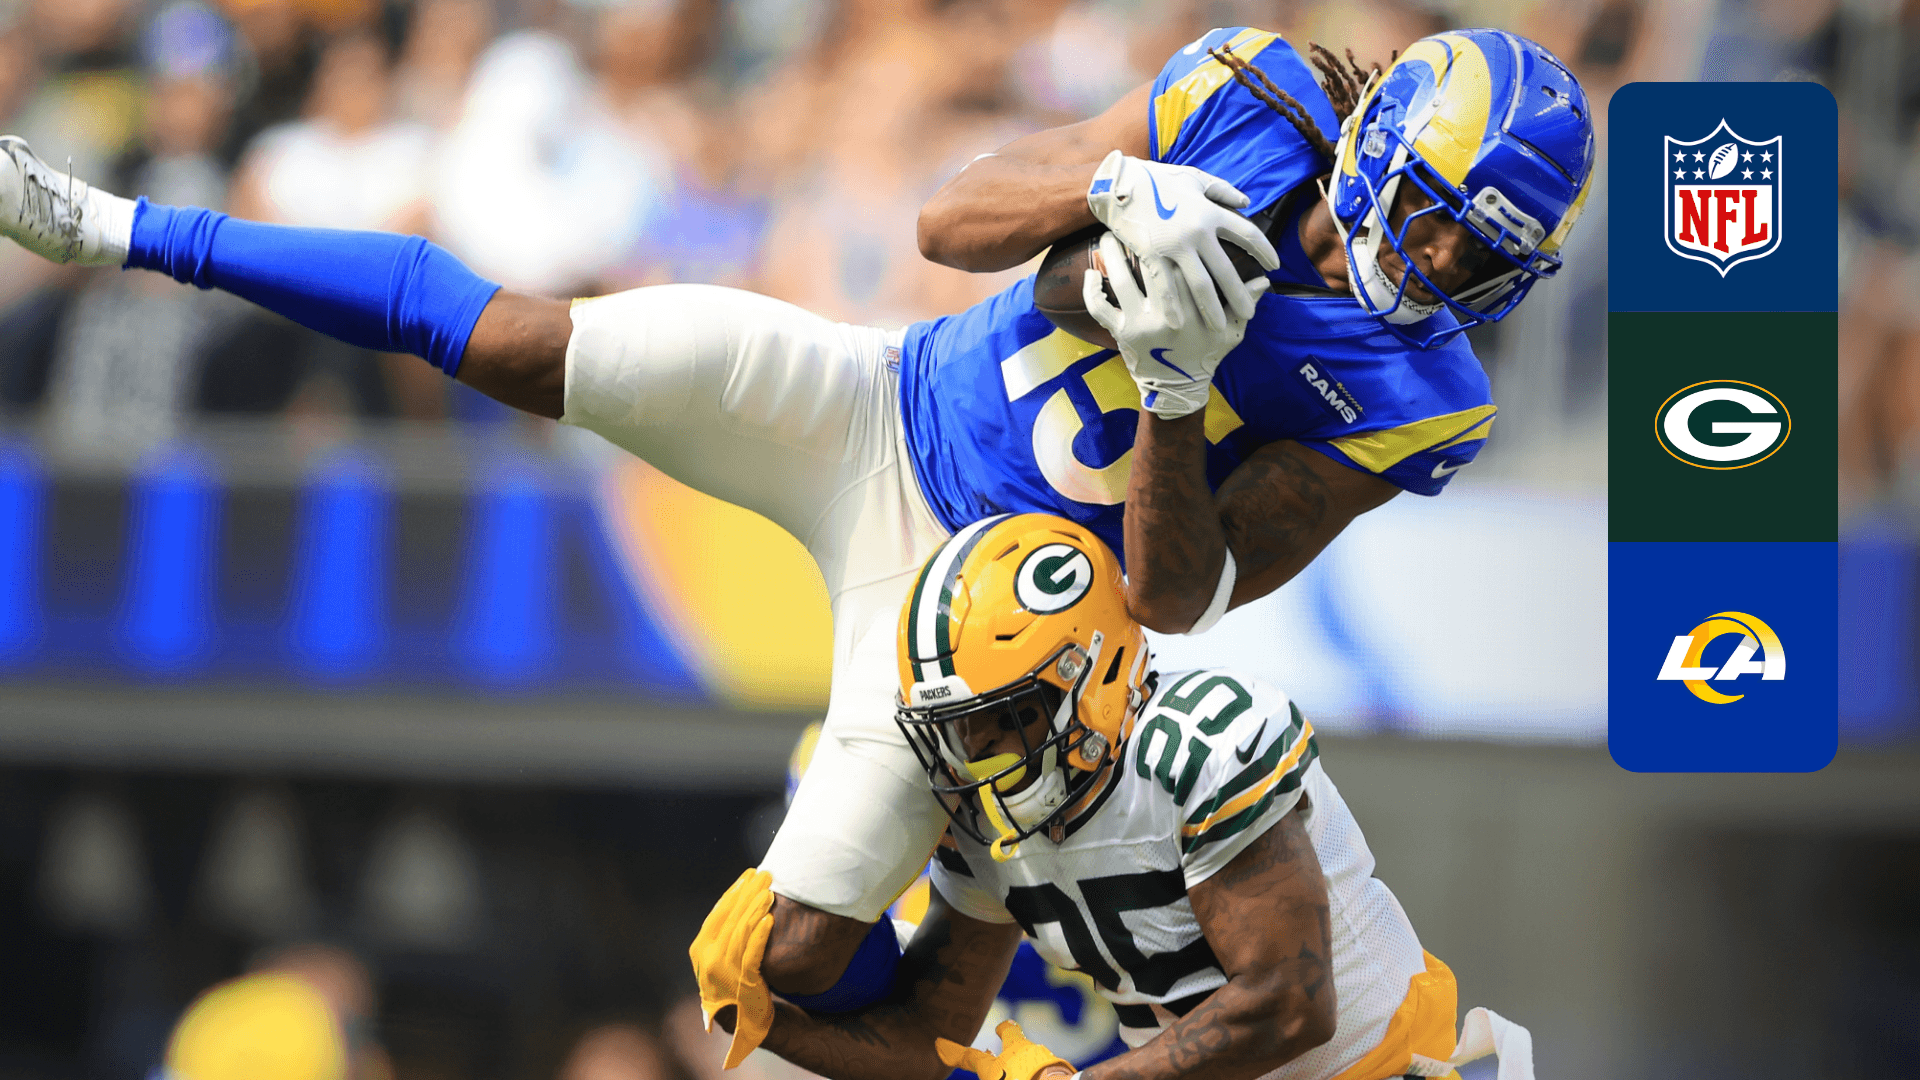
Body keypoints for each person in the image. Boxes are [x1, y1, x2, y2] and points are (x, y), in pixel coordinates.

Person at [0, 23, 1593, 1025]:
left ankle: (979, 997)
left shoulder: (1422, 397)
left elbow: (1181, 600)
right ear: (1380, 140)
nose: (1441, 265)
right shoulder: (1259, 96)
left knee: (790, 973)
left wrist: (1176, 396)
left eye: (1483, 255)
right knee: (516, 341)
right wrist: (1109, 194)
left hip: (977, 619)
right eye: (1438, 215)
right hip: (871, 405)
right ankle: (125, 224)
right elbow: (951, 219)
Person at [689, 513, 1532, 1080]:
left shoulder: (1198, 742)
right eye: (959, 729)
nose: (980, 752)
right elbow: (926, 1042)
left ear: (1093, 672)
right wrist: (760, 1019)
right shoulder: (991, 825)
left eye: (1005, 717)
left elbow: (1290, 1003)